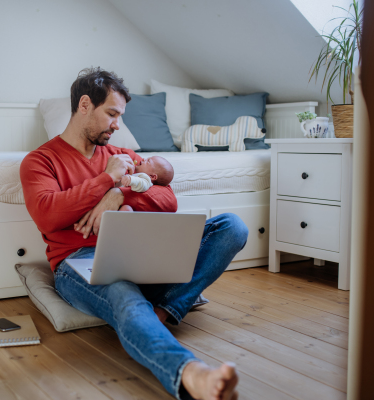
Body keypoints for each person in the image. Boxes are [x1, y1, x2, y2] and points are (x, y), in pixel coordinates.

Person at [20, 67, 246, 400]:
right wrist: (105, 181)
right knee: (124, 296)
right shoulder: (41, 160)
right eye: (111, 114)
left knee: (231, 227)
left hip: (140, 252)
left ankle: (163, 310)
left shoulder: (122, 156)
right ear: (84, 105)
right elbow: (49, 215)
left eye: (120, 116)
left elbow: (168, 199)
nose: (117, 125)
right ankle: (191, 374)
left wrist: (120, 194)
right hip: (80, 261)